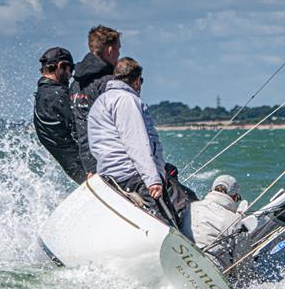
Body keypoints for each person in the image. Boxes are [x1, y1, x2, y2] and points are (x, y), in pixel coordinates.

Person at [87, 57, 193, 229]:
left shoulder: (100, 102)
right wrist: (152, 180)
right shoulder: (126, 100)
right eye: (141, 81)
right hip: (135, 178)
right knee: (168, 227)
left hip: (111, 179)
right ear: (136, 80)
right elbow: (136, 142)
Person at [70, 25, 121, 176]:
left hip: (88, 161)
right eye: (118, 48)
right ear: (110, 50)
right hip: (112, 161)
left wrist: (90, 167)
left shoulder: (75, 84)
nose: (119, 54)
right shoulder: (108, 82)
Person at [33, 47, 86, 184]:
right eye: (71, 69)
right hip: (85, 168)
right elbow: (79, 130)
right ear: (61, 66)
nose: (71, 75)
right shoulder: (56, 96)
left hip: (75, 169)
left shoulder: (42, 94)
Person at [190, 175, 252, 270]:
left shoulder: (191, 206)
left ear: (211, 191)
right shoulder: (236, 222)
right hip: (213, 272)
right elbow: (243, 266)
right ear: (234, 197)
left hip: (185, 257)